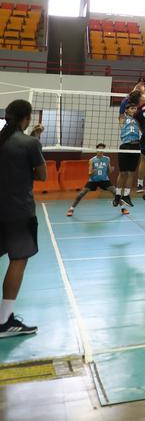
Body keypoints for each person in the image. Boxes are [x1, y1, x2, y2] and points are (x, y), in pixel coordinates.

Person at [0, 100, 44, 337]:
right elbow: (42, 174)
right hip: (19, 211)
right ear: (26, 118)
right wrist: (35, 140)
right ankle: (4, 321)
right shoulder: (29, 143)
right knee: (18, 259)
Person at [67, 144, 117, 217]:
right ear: (96, 150)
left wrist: (111, 169)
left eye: (102, 149)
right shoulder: (92, 160)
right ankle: (71, 209)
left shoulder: (107, 159)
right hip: (93, 180)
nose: (101, 151)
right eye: (99, 149)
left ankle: (123, 208)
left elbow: (109, 170)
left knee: (115, 192)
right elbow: (89, 174)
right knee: (81, 193)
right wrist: (94, 171)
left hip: (104, 180)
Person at [114, 107, 139, 211]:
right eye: (132, 108)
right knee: (123, 173)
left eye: (135, 109)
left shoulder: (138, 119)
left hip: (136, 146)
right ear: (127, 110)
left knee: (131, 173)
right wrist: (133, 92)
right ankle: (117, 195)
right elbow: (122, 107)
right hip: (125, 146)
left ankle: (126, 196)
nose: (134, 110)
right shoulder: (123, 118)